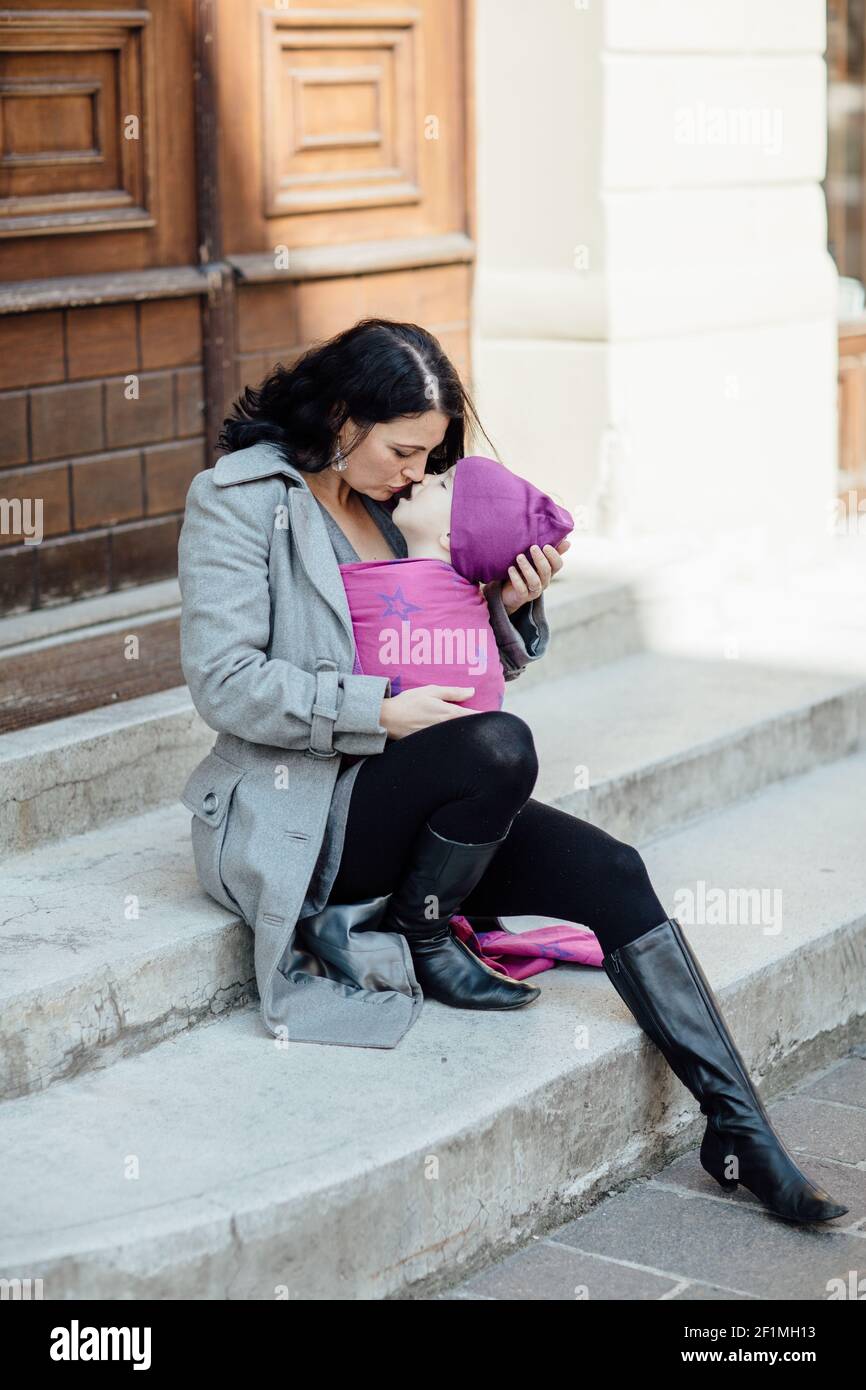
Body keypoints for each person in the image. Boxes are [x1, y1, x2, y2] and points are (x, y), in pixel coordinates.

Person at [178, 316, 847, 1226]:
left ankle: (738, 1128)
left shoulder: (390, 504)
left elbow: (444, 657)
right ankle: (422, 928)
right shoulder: (240, 500)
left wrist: (508, 606)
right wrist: (371, 710)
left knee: (613, 870)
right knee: (503, 746)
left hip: (420, 788)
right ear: (342, 416)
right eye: (404, 449)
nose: (418, 474)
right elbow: (225, 681)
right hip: (309, 807)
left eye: (430, 454)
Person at [338, 454, 574, 712]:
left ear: (451, 536)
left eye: (442, 484)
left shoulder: (360, 584)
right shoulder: (471, 604)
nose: (424, 476)